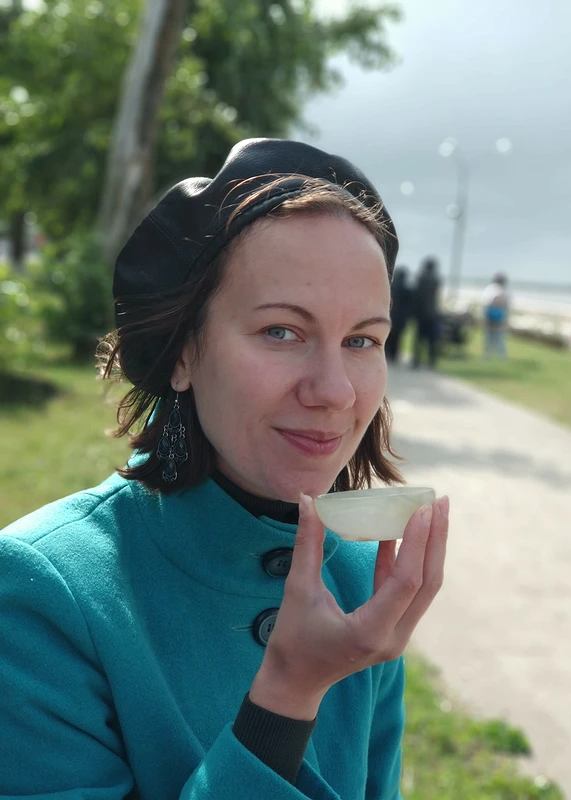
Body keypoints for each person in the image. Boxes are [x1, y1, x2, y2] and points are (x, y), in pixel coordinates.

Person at [0, 139, 450, 799]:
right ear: (183, 352)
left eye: (362, 340)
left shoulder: (360, 584)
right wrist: (288, 693)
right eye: (281, 332)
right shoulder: (43, 594)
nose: (335, 391)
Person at [411, 256, 441, 369]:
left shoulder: (421, 278)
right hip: (432, 314)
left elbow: (416, 297)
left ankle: (416, 360)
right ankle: (431, 361)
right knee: (431, 339)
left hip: (421, 314)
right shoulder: (436, 280)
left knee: (419, 338)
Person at [384, 266, 413, 364]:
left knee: (388, 336)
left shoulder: (390, 287)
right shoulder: (407, 290)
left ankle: (387, 353)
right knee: (398, 338)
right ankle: (394, 355)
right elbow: (410, 305)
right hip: (401, 318)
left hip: (390, 315)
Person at [481, 272, 510, 358]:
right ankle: (500, 356)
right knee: (497, 337)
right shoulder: (499, 289)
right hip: (496, 317)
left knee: (490, 337)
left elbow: (485, 303)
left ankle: (489, 355)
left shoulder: (489, 288)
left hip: (491, 316)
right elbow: (501, 302)